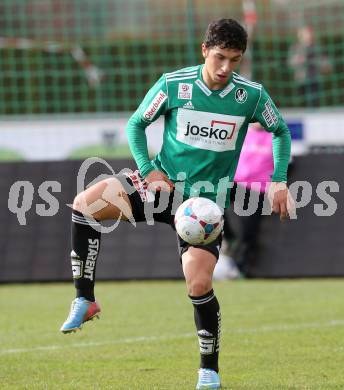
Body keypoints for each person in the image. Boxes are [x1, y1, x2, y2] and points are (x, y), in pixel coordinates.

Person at [60, 19, 293, 389]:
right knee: (84, 204)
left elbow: (279, 130)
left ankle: (209, 372)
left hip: (204, 205)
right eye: (219, 57)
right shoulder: (174, 85)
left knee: (199, 285)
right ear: (204, 50)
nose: (225, 68)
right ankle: (85, 299)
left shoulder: (250, 96)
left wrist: (278, 180)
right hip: (162, 187)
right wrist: (148, 170)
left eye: (234, 60)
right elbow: (137, 124)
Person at [219, 122, 274, 279]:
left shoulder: (275, 137)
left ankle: (242, 269)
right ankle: (229, 235)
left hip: (259, 189)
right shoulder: (240, 134)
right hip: (237, 183)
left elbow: (287, 164)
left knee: (249, 230)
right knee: (213, 201)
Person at [288, 25, 332, 108]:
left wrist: (317, 62)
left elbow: (326, 64)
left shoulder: (317, 48)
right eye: (302, 34)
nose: (304, 36)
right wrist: (297, 60)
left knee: (314, 103)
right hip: (301, 80)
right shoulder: (295, 48)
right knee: (302, 104)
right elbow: (291, 63)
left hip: (314, 79)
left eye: (306, 33)